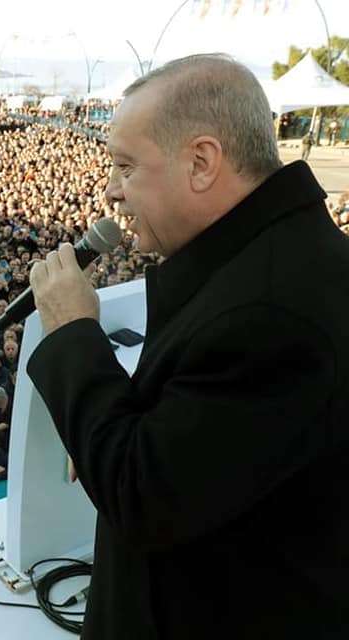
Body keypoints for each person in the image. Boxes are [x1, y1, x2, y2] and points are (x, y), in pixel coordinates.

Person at [26, 53, 349, 640]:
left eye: (125, 167)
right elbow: (209, 442)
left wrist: (74, 331)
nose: (111, 193)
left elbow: (144, 495)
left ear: (201, 162)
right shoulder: (276, 258)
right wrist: (116, 419)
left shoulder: (267, 315)